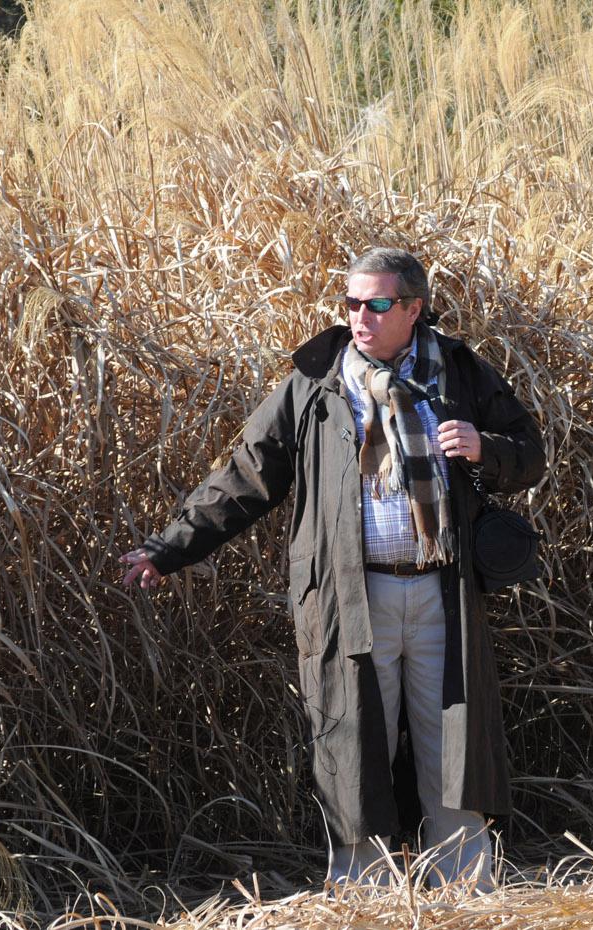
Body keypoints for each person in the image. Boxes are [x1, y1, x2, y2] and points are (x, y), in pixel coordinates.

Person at [120, 247, 545, 889]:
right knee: (353, 745)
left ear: (413, 308)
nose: (360, 317)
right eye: (351, 303)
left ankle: (465, 894)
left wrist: (489, 449)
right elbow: (246, 477)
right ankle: (364, 898)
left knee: (452, 747)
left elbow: (531, 453)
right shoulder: (316, 383)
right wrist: (168, 549)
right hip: (350, 596)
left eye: (376, 304)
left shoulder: (458, 373)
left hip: (442, 593)